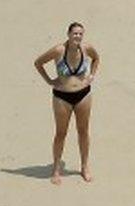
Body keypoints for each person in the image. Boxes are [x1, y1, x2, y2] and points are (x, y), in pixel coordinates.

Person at [34, 22, 100, 185]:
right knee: (61, 133)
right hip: (62, 97)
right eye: (75, 33)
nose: (77, 36)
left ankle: (84, 166)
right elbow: (38, 63)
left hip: (83, 95)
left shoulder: (87, 48)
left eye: (80, 34)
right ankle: (56, 168)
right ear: (68, 34)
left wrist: (91, 75)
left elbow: (96, 58)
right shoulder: (58, 50)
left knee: (83, 131)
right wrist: (49, 80)